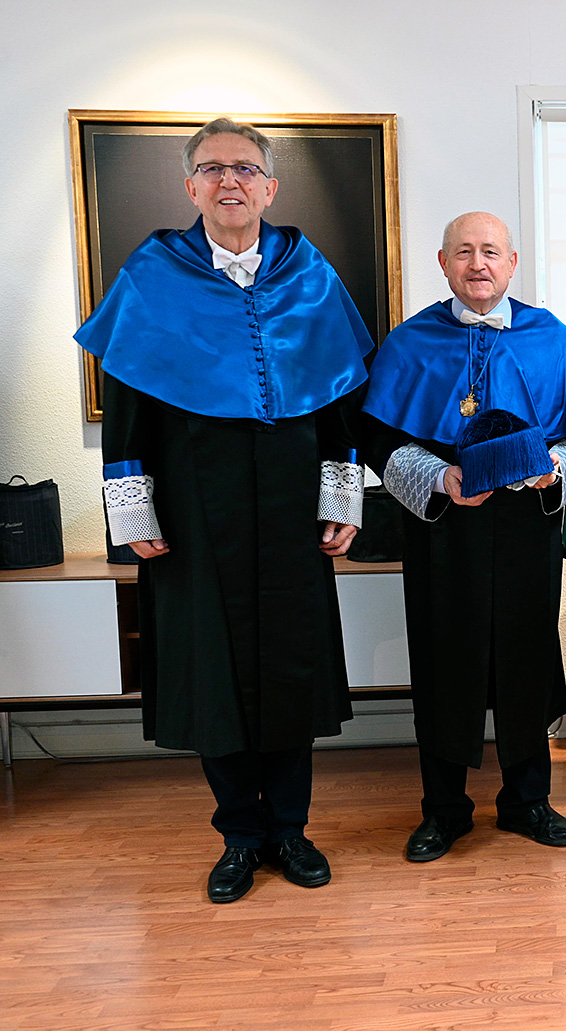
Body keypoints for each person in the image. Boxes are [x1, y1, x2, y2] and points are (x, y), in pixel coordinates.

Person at [76, 118, 374, 903]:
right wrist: (133, 517)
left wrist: (344, 500)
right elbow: (126, 411)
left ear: (270, 186)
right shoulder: (150, 277)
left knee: (291, 670)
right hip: (191, 511)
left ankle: (291, 829)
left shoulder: (311, 275)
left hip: (291, 511)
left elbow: (341, 408)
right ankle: (240, 834)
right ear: (191, 187)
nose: (229, 180)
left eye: (244, 168)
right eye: (212, 168)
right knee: (213, 675)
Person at [357, 212, 566, 862]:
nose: (478, 264)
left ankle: (528, 801)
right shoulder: (409, 342)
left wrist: (554, 471)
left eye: (491, 251)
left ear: (512, 263)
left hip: (526, 526)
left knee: (526, 656)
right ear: (443, 263)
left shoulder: (553, 340)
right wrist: (439, 478)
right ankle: (443, 810)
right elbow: (378, 437)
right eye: (464, 252)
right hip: (443, 528)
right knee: (443, 661)